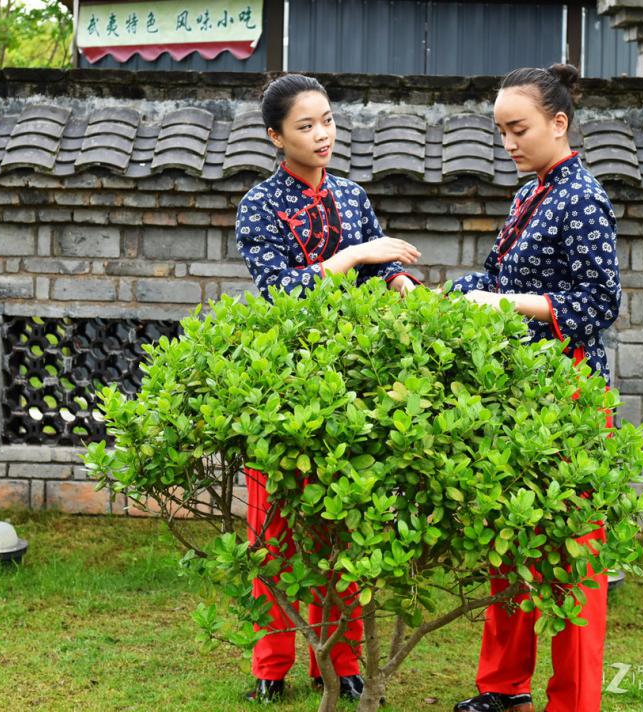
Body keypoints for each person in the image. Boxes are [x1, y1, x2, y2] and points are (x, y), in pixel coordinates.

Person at [234, 73, 422, 703]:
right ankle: (270, 665)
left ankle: (339, 661)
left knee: (342, 524)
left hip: (351, 384)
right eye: (306, 126)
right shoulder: (258, 205)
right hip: (284, 384)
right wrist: (351, 258)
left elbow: (381, 265)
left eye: (329, 121)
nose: (322, 135)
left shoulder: (352, 195)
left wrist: (396, 279)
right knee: (275, 531)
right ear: (275, 136)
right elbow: (284, 292)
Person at [450, 64, 621, 712]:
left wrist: (509, 305)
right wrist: (440, 296)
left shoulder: (582, 197)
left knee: (576, 554)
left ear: (559, 122)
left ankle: (574, 701)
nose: (508, 143)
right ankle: (503, 686)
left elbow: (601, 302)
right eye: (500, 132)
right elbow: (492, 275)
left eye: (517, 129)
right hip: (521, 394)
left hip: (571, 394)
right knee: (513, 539)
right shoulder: (530, 194)